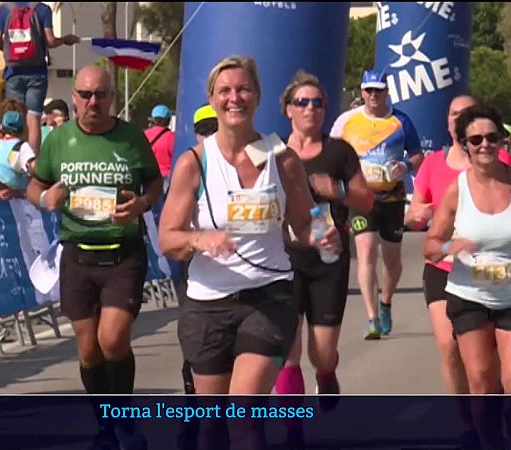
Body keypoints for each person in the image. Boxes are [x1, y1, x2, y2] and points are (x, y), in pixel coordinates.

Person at [158, 56, 340, 398]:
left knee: (243, 415)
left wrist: (322, 235)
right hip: (207, 303)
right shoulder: (194, 163)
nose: (234, 98)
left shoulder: (281, 158)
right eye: (224, 91)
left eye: (243, 89)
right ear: (212, 100)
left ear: (257, 96)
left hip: (268, 296)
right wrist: (201, 239)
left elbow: (304, 223)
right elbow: (168, 238)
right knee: (213, 427)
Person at [26, 65, 163, 449]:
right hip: (78, 254)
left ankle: (125, 417)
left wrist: (143, 203)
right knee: (89, 347)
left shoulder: (132, 138)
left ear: (112, 99)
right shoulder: (59, 140)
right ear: (74, 99)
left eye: (100, 95)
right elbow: (35, 185)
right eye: (85, 95)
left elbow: (154, 180)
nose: (92, 103)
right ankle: (106, 424)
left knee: (113, 339)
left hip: (123, 253)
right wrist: (44, 198)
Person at [424, 104, 511, 395]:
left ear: (502, 141)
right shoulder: (457, 190)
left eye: (492, 138)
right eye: (475, 140)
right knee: (482, 385)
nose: (485, 145)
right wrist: (450, 246)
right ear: (465, 145)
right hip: (470, 295)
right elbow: (430, 246)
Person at [407, 95, 511, 395]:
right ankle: (466, 420)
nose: (460, 119)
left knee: (488, 359)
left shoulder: (502, 161)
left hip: (491, 270)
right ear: (448, 122)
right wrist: (419, 215)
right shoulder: (433, 164)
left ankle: (490, 409)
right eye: (454, 113)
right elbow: (415, 213)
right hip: (444, 267)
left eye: (467, 113)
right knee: (449, 346)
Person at [275, 71, 373, 397]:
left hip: (329, 259)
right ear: (288, 109)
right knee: (287, 349)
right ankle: (293, 432)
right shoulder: (271, 153)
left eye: (317, 103)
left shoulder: (339, 152)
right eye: (302, 102)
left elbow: (367, 200)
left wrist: (339, 189)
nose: (310, 109)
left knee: (322, 352)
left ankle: (326, 373)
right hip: (283, 258)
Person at [330, 69, 424, 339]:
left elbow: (418, 156)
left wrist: (404, 166)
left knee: (392, 261)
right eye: (369, 90)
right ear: (362, 92)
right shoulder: (346, 121)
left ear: (386, 91)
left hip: (392, 197)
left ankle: (386, 303)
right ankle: (371, 317)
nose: (373, 95)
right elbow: (332, 153)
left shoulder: (400, 121)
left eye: (378, 90)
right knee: (366, 250)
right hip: (360, 198)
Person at [0, 2, 80, 153]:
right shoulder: (42, 9)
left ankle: (14, 156)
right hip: (37, 73)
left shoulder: (5, 9)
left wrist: (9, 50)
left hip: (14, 72)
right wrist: (65, 39)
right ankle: (31, 161)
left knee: (14, 116)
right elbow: (50, 40)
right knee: (34, 117)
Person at [0, 110, 36, 192]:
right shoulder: (22, 147)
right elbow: (34, 167)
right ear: (23, 129)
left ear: (2, 127)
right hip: (16, 198)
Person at [144, 104, 175, 184]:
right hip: (166, 178)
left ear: (153, 119)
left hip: (147, 177)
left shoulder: (144, 135)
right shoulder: (172, 137)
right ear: (168, 120)